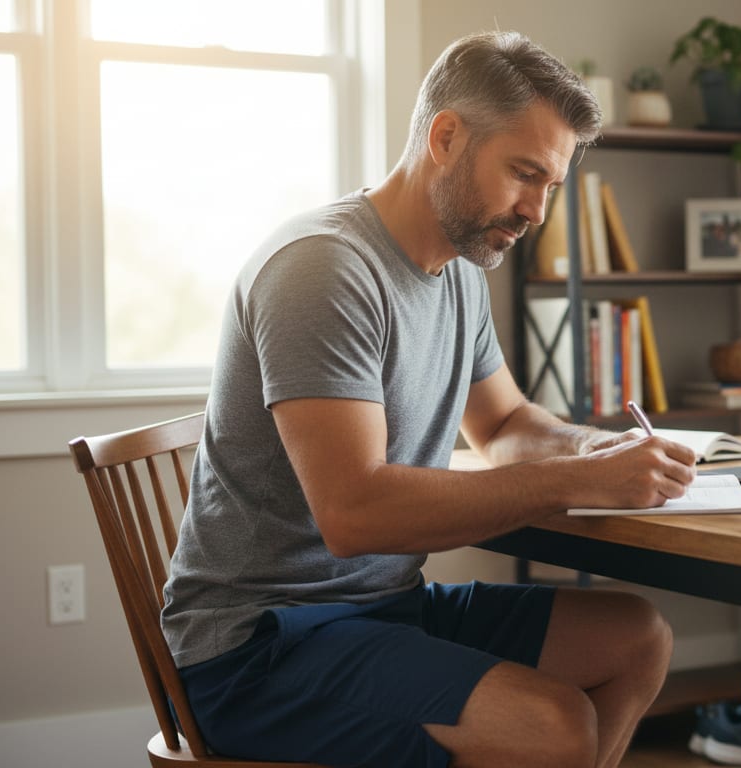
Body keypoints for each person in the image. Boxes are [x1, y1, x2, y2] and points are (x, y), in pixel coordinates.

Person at [161, 30, 698, 768]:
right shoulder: (322, 270)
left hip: (383, 609)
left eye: (551, 186)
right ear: (445, 137)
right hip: (262, 645)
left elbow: (505, 423)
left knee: (637, 638)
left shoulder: (458, 272)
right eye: (523, 173)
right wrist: (574, 480)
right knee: (552, 724)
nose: (537, 211)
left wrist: (592, 447)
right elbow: (353, 513)